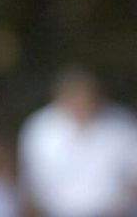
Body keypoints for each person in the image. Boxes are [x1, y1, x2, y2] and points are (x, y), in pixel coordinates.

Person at [19, 67, 137, 217]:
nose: (81, 102)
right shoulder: (40, 128)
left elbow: (134, 176)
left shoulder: (122, 125)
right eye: (74, 96)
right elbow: (31, 183)